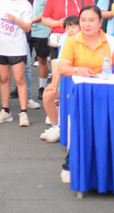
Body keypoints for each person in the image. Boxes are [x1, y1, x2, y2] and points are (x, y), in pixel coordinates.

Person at [55, 5, 114, 184]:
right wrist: (77, 69)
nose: (87, 24)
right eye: (83, 20)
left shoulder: (111, 41)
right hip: (81, 94)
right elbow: (62, 68)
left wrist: (113, 82)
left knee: (106, 130)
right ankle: (69, 166)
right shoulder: (72, 41)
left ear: (101, 22)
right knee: (81, 129)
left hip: (107, 93)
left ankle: (105, 169)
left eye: (92, 20)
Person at [0, 0, 34, 128]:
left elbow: (27, 28)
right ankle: (5, 111)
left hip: (17, 46)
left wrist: (16, 20)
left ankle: (23, 113)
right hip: (1, 45)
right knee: (4, 78)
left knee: (20, 79)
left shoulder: (25, 5)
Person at [39, 16, 79, 144]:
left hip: (78, 82)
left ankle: (64, 128)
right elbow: (58, 64)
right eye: (68, 28)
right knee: (47, 94)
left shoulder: (84, 41)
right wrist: (54, 84)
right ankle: (55, 126)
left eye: (74, 27)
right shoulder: (64, 39)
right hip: (64, 81)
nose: (70, 30)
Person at [26, 0, 52, 104]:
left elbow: (47, 11)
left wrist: (32, 21)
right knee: (24, 61)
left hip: (41, 30)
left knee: (42, 59)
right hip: (25, 30)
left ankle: (42, 87)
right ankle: (23, 87)